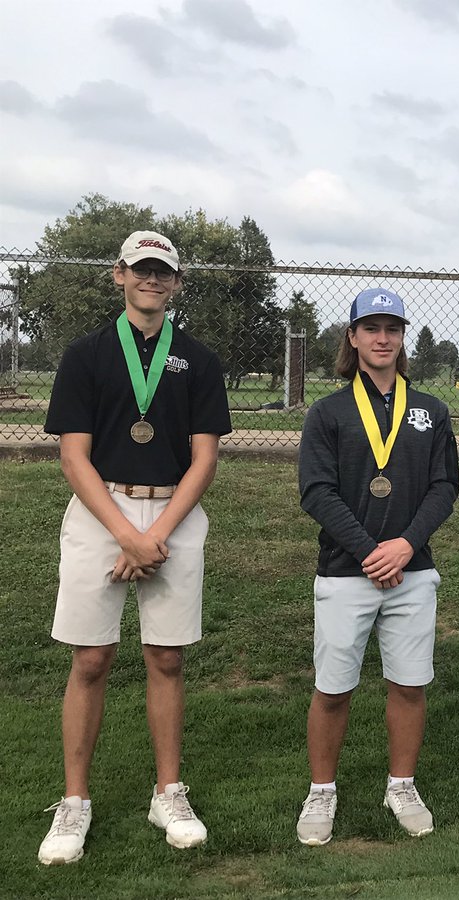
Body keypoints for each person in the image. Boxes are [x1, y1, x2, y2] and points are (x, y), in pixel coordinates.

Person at [38, 231, 232, 865]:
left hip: (174, 512)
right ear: (119, 275)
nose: (152, 280)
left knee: (167, 658)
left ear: (175, 283)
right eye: (141, 269)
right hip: (102, 513)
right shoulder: (86, 354)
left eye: (163, 272)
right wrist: (127, 535)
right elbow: (73, 454)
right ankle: (74, 802)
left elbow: (205, 458)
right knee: (91, 660)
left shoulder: (198, 360)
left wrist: (155, 535)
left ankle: (168, 792)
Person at [295, 288, 459, 846]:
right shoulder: (329, 411)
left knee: (409, 684)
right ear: (353, 337)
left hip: (412, 570)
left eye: (392, 328)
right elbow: (316, 492)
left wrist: (406, 546)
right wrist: (371, 550)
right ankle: (322, 791)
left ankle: (402, 785)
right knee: (333, 688)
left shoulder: (430, 410)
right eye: (371, 328)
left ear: (403, 336)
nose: (382, 338)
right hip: (347, 571)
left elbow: (444, 487)